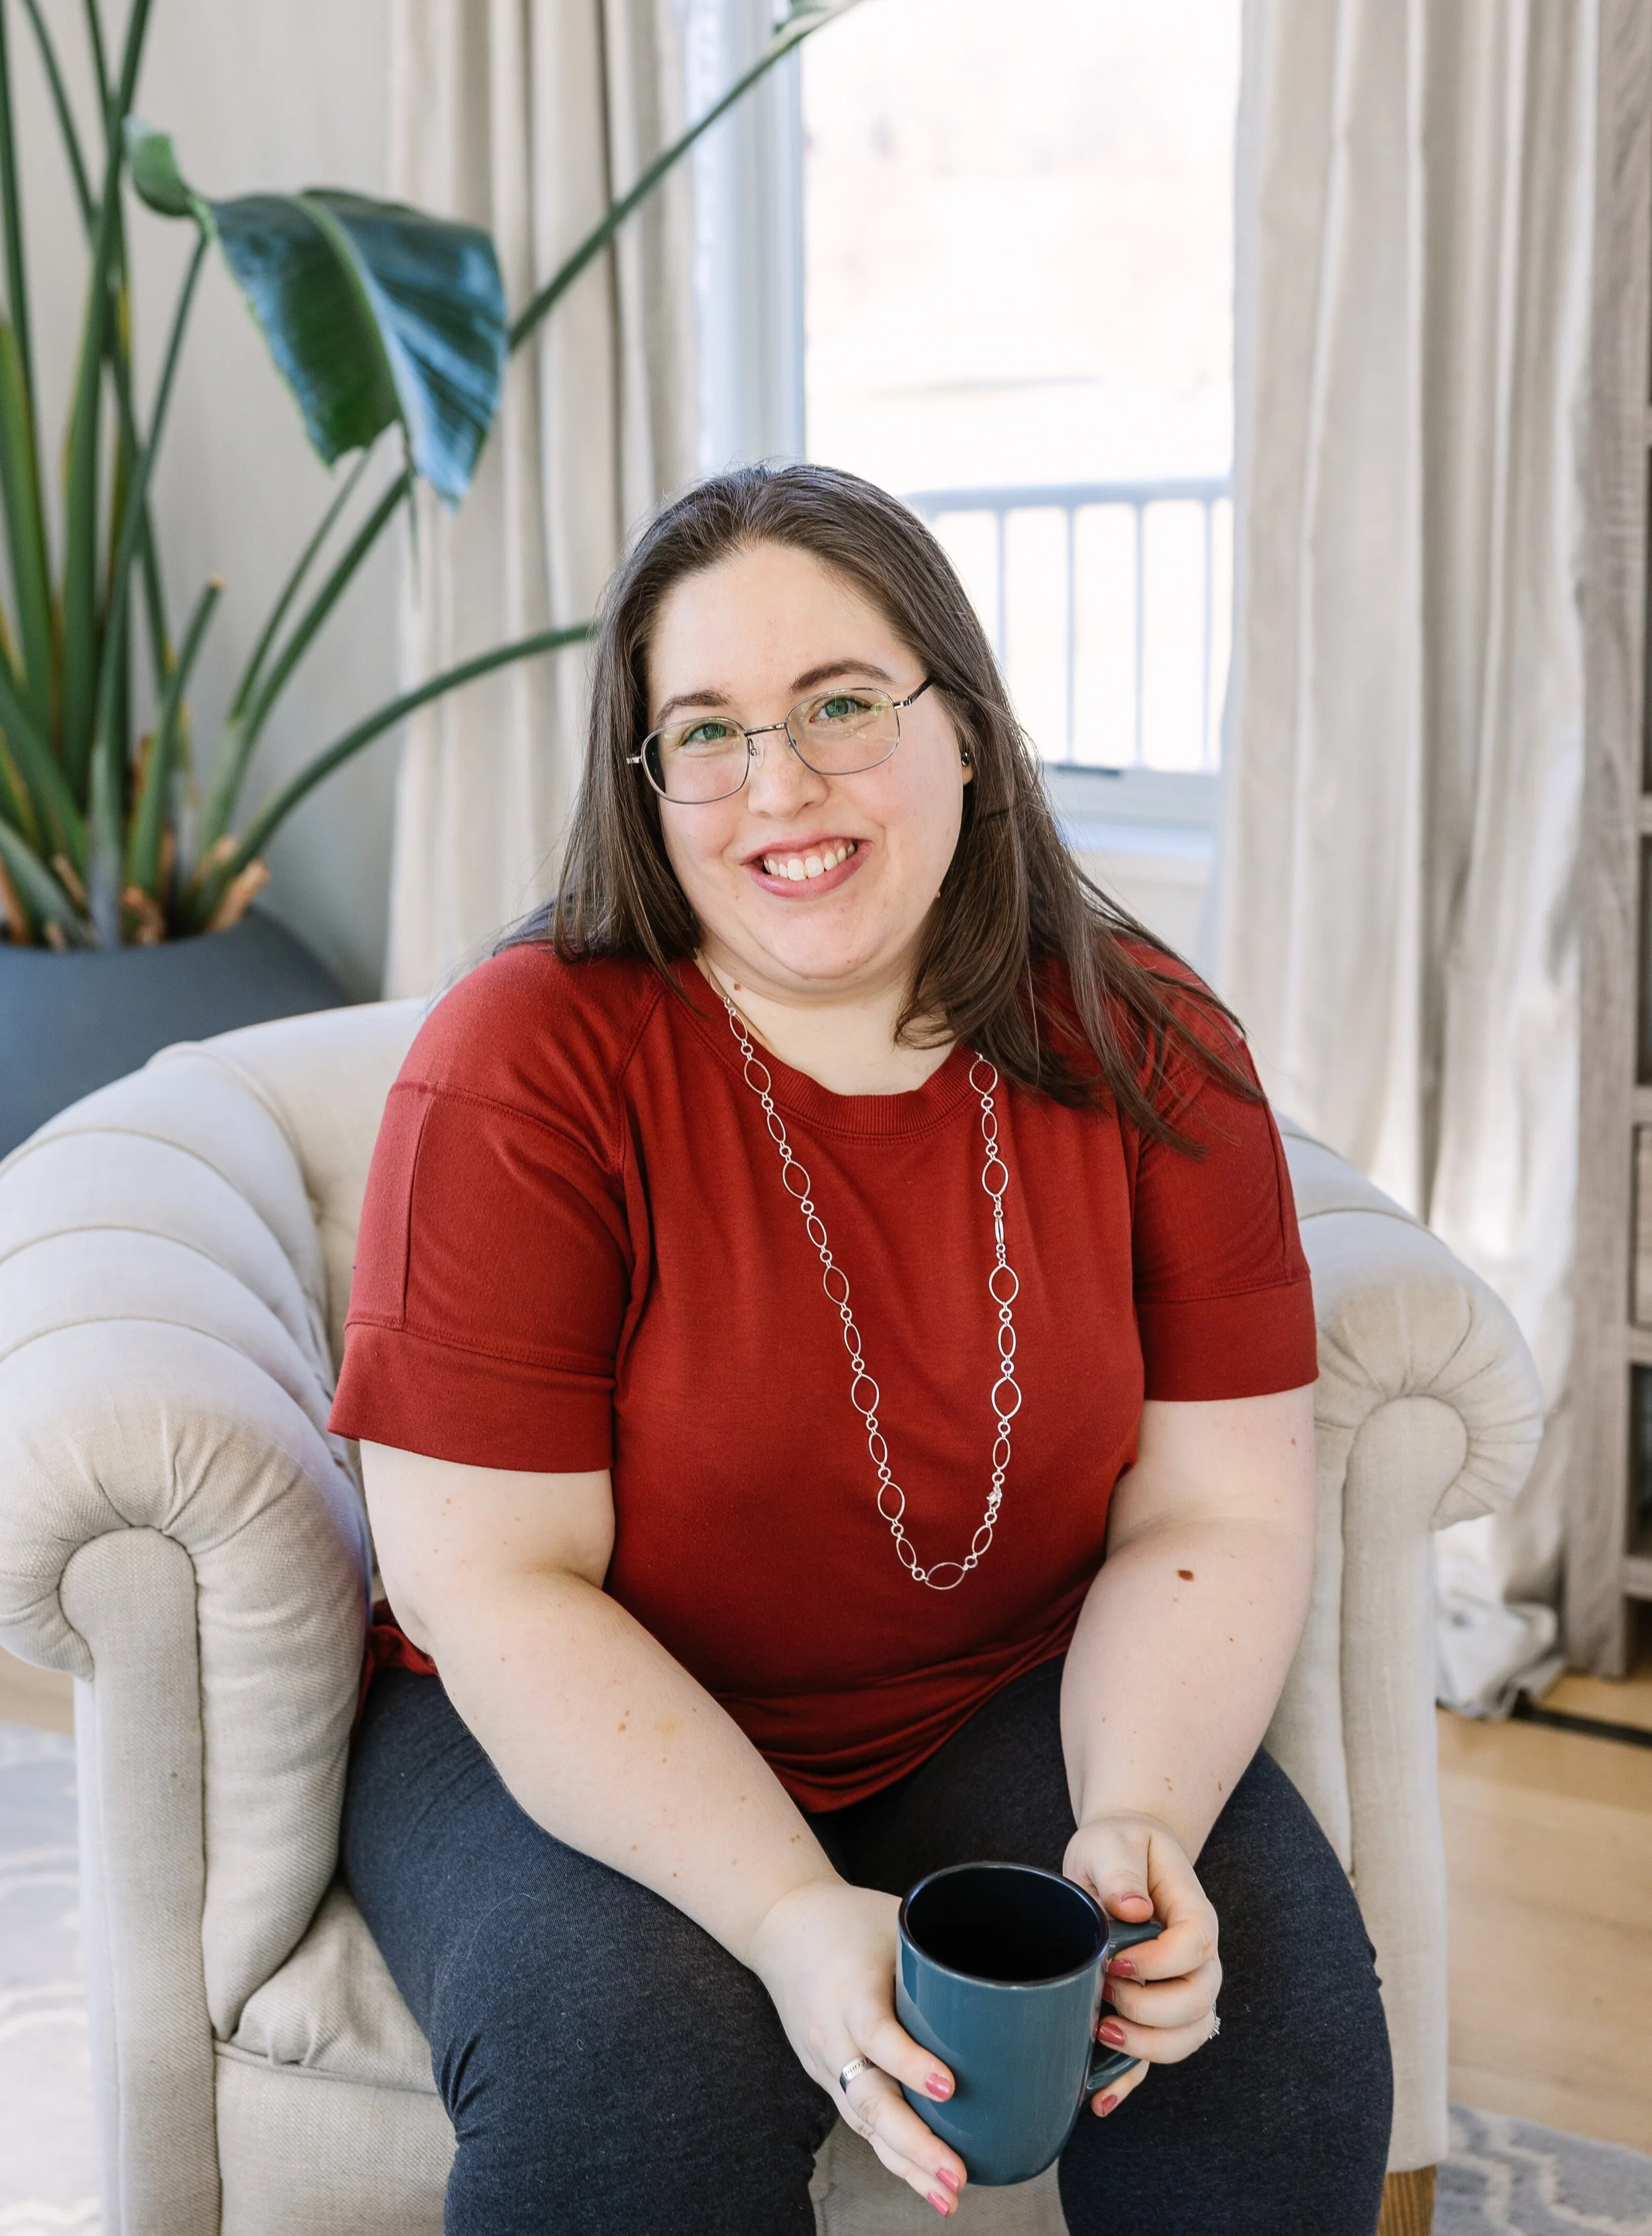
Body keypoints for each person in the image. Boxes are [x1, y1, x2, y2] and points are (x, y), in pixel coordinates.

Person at [331, 462, 1392, 2236]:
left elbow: (1221, 1511)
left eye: (840, 706)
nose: (782, 788)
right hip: (547, 1711)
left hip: (986, 1683)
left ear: (964, 729)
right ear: (646, 787)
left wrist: (1133, 1816)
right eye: (708, 733)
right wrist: (780, 1912)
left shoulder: (1145, 1039)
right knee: (642, 2058)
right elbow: (490, 1588)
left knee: (1256, 2017)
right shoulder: (522, 1060)